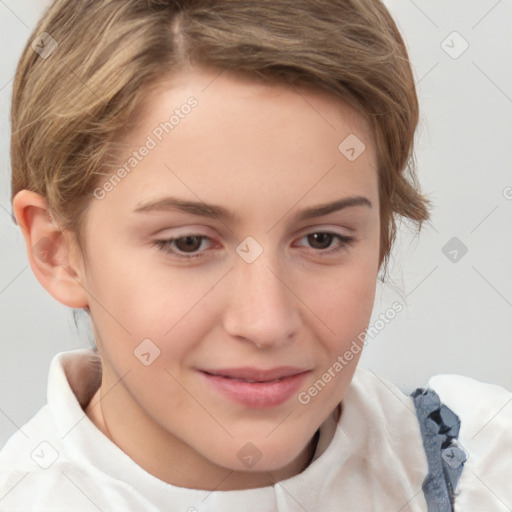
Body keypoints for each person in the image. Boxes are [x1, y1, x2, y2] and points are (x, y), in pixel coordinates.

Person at [1, 0, 510, 510]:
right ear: (58, 252)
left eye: (322, 239)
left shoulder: (487, 471)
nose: (266, 324)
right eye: (189, 243)